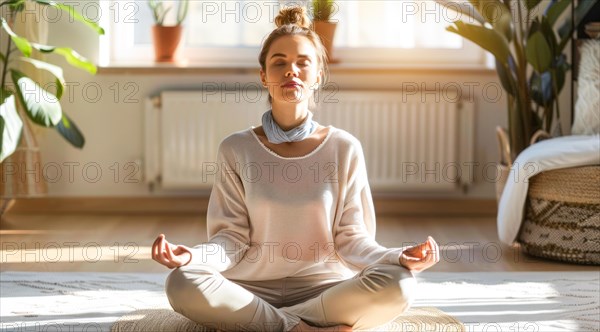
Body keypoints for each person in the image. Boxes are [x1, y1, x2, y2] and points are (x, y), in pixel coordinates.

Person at [152, 6, 440, 332]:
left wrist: (396, 257)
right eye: (280, 63)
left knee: (400, 283)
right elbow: (231, 240)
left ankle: (264, 326)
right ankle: (301, 328)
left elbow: (352, 240)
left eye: (303, 62)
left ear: (318, 75)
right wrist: (192, 257)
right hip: (248, 291)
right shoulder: (236, 148)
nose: (292, 71)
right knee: (180, 282)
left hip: (324, 292)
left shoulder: (344, 148)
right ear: (264, 76)